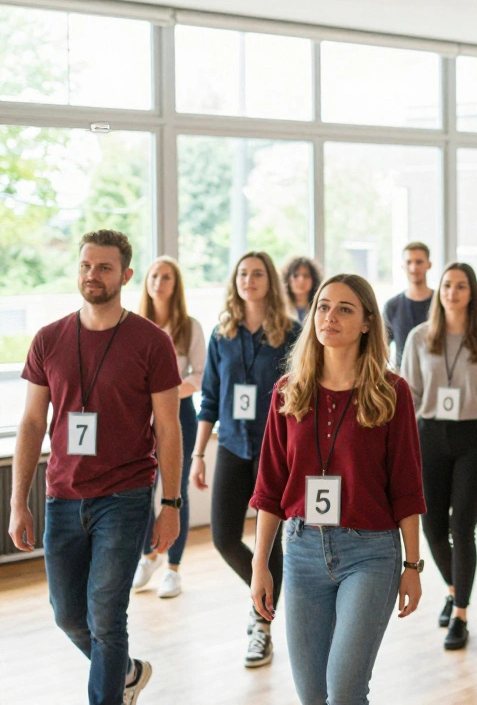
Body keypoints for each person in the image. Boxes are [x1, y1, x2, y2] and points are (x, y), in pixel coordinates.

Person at [8, 230, 182, 705]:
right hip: (62, 496)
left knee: (107, 616)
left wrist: (170, 503)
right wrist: (17, 501)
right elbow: (30, 423)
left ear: (126, 275)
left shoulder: (151, 342)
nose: (93, 275)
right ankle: (126, 673)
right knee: (68, 615)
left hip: (125, 496)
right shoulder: (48, 339)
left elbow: (169, 429)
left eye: (104, 267)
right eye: (86, 265)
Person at [249, 273, 427, 705]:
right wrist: (260, 565)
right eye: (323, 306)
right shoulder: (287, 393)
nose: (329, 316)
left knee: (344, 691)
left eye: (344, 309)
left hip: (369, 553)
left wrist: (413, 565)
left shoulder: (391, 392)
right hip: (302, 549)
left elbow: (406, 485)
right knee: (312, 696)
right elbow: (270, 485)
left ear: (367, 322)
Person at [191, 250, 301, 667]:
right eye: (242, 273)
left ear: (269, 281)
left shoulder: (291, 332)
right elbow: (212, 399)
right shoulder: (223, 334)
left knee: (268, 538)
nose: (248, 280)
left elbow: (301, 392)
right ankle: (269, 594)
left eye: (257, 274)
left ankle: (261, 626)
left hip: (276, 450)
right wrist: (199, 453)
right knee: (223, 536)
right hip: (234, 446)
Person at [401, 262, 477, 650]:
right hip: (427, 437)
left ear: (470, 293)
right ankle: (453, 588)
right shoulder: (419, 338)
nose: (452, 292)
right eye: (447, 285)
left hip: (473, 439)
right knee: (431, 527)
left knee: (462, 527)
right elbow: (409, 398)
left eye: (461, 285)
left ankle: (460, 614)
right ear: (440, 291)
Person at [132, 257, 206, 599]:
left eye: (167, 277)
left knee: (174, 489)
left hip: (178, 414)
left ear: (176, 285)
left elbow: (200, 375)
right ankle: (149, 555)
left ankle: (173, 569)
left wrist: (165, 393)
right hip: (137, 416)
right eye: (154, 276)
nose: (159, 282)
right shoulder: (132, 325)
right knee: (140, 488)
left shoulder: (189, 326)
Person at [383, 242, 435, 367]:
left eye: (419, 262)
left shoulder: (441, 302)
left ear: (429, 265)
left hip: (436, 375)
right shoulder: (392, 306)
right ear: (402, 266)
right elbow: (383, 348)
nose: (413, 268)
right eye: (409, 262)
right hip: (403, 377)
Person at [283, 256, 322, 323]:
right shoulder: (281, 308)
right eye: (295, 275)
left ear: (314, 280)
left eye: (306, 275)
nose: (301, 280)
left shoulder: (320, 307)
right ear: (287, 280)